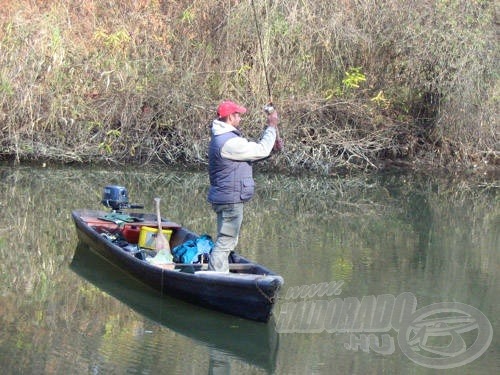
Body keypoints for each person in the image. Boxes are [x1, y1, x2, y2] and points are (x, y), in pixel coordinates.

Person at [207, 100, 282, 272]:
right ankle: (216, 279)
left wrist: (273, 148)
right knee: (226, 241)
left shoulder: (224, 138)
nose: (240, 118)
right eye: (238, 115)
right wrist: (271, 126)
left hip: (227, 197)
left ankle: (221, 274)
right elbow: (260, 150)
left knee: (226, 240)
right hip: (231, 199)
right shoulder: (229, 141)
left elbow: (253, 155)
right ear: (231, 117)